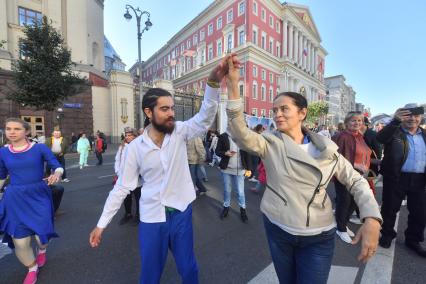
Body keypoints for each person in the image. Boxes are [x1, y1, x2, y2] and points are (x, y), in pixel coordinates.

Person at [224, 56, 382, 283]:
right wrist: (232, 85)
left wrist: (372, 218)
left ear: (302, 113)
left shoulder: (326, 147)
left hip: (319, 235)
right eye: (274, 110)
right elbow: (240, 133)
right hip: (279, 228)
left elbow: (355, 180)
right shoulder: (269, 142)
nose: (277, 114)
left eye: (284, 109)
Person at [89, 54, 233, 284]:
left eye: (172, 108)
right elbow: (122, 187)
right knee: (149, 275)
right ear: (149, 112)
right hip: (152, 218)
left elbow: (205, 118)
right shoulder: (134, 148)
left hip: (181, 214)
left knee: (189, 270)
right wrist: (101, 224)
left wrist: (214, 82)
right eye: (165, 109)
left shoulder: (180, 131)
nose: (171, 113)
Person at [0, 118, 63, 284]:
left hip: (38, 195)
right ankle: (32, 267)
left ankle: (42, 250)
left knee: (41, 236)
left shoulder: (39, 148)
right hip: (14, 198)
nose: (11, 132)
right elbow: (1, 176)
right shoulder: (3, 152)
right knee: (20, 241)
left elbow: (56, 165)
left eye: (17, 129)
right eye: (8, 129)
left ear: (26, 131)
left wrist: (56, 173)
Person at [377, 104, 426, 257]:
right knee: (390, 209)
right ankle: (386, 235)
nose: (412, 118)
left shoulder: (424, 134)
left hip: (420, 179)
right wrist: (394, 121)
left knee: (420, 213)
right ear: (402, 117)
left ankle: (413, 240)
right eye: (408, 115)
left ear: (421, 117)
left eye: (416, 115)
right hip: (396, 177)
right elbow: (380, 138)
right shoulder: (395, 131)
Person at [332, 112, 372, 243]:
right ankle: (341, 228)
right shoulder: (341, 136)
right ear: (347, 122)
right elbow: (335, 156)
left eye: (360, 121)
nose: (357, 123)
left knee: (354, 202)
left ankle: (343, 224)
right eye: (354, 121)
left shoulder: (359, 136)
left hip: (359, 175)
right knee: (344, 201)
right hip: (345, 175)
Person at [215, 132, 252, 223]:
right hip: (227, 169)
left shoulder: (243, 136)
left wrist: (249, 168)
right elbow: (217, 151)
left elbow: (248, 153)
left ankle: (243, 210)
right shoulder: (223, 136)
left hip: (240, 170)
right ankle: (226, 207)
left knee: (240, 191)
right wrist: (225, 153)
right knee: (227, 190)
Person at [115, 127, 141, 225]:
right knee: (126, 197)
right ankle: (128, 214)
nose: (127, 137)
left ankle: (138, 215)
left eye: (130, 135)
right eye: (126, 135)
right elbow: (118, 160)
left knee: (138, 197)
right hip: (124, 177)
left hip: (137, 178)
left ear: (135, 136)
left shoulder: (139, 146)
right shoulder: (122, 147)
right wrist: (118, 171)